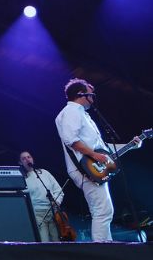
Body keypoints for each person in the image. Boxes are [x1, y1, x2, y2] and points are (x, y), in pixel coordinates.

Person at [54, 78, 144, 242]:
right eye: (91, 94)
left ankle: (106, 245)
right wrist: (95, 156)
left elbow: (103, 148)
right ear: (81, 94)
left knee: (105, 210)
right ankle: (102, 249)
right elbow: (71, 139)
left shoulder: (82, 114)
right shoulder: (71, 112)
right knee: (101, 210)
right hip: (84, 169)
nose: (93, 98)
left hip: (93, 167)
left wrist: (130, 145)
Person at [19, 150, 65, 242]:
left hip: (54, 213)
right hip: (38, 215)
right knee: (44, 241)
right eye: (24, 159)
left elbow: (59, 191)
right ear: (20, 163)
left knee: (57, 241)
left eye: (29, 157)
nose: (27, 159)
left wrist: (57, 201)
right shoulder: (22, 180)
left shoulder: (44, 173)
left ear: (32, 159)